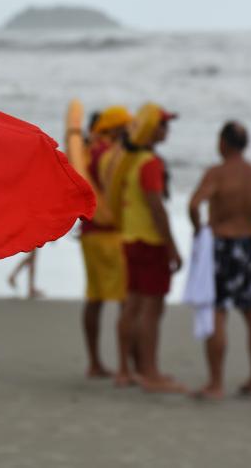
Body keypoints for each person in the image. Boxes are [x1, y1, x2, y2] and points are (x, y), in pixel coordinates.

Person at [102, 102, 185, 393]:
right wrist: (172, 247)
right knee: (152, 310)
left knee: (132, 307)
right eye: (164, 124)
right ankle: (150, 373)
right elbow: (156, 206)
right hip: (150, 241)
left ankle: (126, 369)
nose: (167, 130)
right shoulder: (149, 162)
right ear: (152, 129)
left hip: (130, 238)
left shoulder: (129, 159)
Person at [188, 121, 251, 400]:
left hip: (222, 246)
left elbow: (194, 204)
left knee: (217, 313)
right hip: (249, 245)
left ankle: (216, 383)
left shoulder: (217, 173)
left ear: (224, 142)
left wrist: (199, 229)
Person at [79, 105, 132, 378]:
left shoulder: (85, 152)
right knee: (126, 300)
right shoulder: (108, 154)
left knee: (95, 298)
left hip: (89, 232)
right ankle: (127, 364)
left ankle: (94, 362)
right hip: (110, 232)